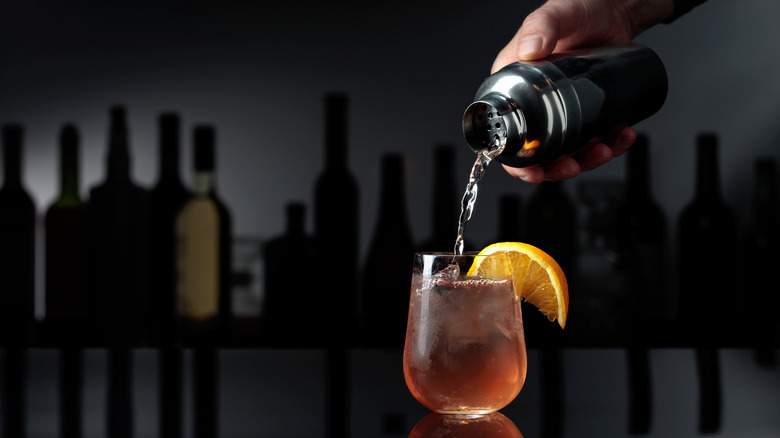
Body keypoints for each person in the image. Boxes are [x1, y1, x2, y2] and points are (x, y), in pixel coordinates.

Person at [495, 0, 707, 183]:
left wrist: (617, 6)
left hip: (635, 68)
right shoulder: (520, 148)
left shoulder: (514, 94)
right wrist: (618, 7)